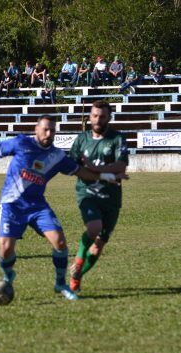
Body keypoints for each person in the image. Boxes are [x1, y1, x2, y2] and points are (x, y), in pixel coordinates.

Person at [0, 115, 127, 301]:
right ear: (36, 129)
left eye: (53, 130)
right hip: (12, 204)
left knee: (60, 242)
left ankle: (60, 284)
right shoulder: (21, 142)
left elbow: (81, 172)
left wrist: (108, 177)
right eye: (46, 129)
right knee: (6, 249)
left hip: (37, 206)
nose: (49, 133)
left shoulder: (57, 156)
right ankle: (8, 276)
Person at [68, 100, 129, 293]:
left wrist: (94, 168)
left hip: (111, 198)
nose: (97, 119)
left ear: (109, 117)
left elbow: (121, 166)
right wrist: (104, 174)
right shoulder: (81, 140)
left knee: (98, 246)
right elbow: (72, 167)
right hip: (87, 193)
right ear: (89, 117)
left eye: (102, 116)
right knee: (94, 227)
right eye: (94, 115)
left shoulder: (117, 139)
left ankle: (76, 279)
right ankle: (78, 261)